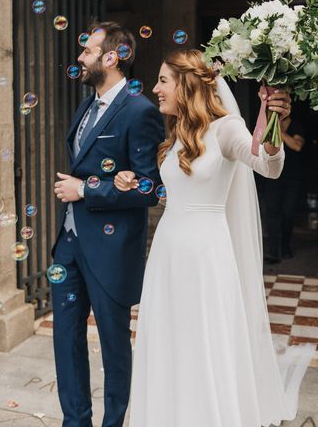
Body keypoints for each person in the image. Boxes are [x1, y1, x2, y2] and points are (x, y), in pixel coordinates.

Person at [116, 50, 313, 426]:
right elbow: (175, 186)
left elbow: (266, 165)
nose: (155, 89)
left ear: (186, 84)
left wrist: (272, 125)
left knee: (203, 341)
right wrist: (130, 179)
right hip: (168, 250)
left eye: (162, 81)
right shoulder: (176, 134)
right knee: (169, 341)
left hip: (206, 254)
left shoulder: (226, 128)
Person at [51, 22, 164, 427]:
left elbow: (150, 187)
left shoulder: (140, 111)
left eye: (88, 51)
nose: (80, 58)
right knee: (65, 340)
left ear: (111, 57)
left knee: (115, 346)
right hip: (68, 245)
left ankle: (113, 423)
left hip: (111, 251)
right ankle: (75, 421)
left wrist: (87, 191)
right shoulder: (86, 106)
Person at [264, 115, 305, 262]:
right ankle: (273, 251)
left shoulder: (297, 125)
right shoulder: (268, 123)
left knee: (288, 213)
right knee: (272, 213)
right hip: (273, 176)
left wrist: (280, 132)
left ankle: (285, 245)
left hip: (293, 178)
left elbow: (297, 145)